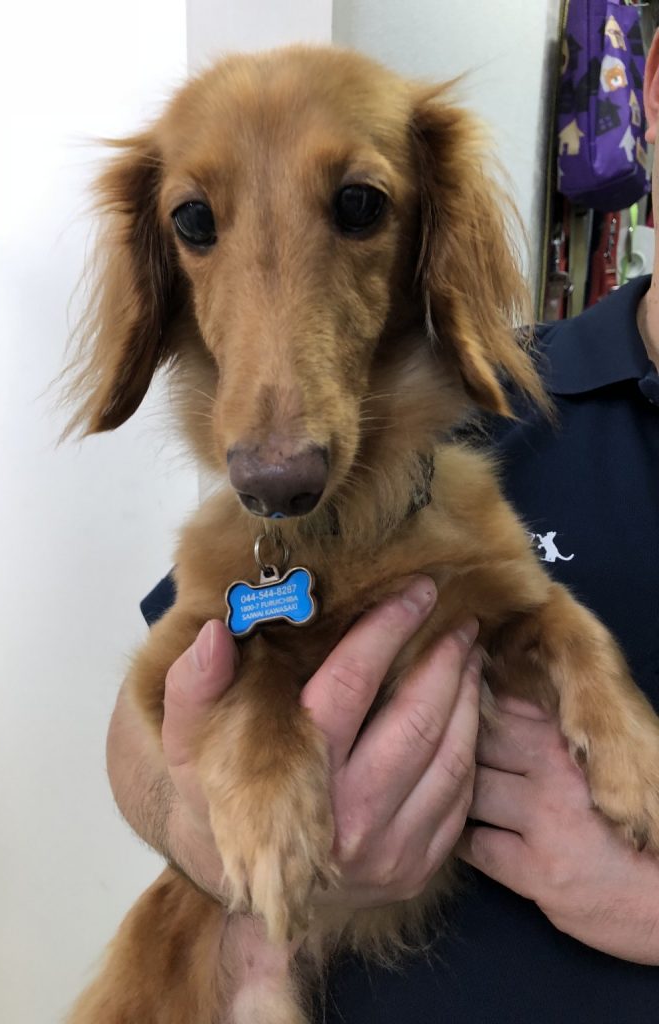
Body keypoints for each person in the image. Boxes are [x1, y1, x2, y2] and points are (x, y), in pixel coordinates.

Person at [106, 34, 659, 1023]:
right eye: (197, 221)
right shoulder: (506, 403)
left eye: (358, 207)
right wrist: (208, 824)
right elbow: (142, 724)